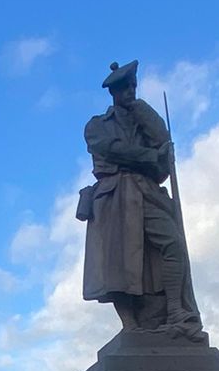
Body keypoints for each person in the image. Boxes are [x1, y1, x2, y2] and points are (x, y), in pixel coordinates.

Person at [78, 59, 206, 340]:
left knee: (173, 245)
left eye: (133, 87)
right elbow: (114, 151)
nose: (131, 92)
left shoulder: (142, 120)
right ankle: (130, 324)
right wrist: (151, 156)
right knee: (118, 267)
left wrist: (144, 112)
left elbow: (163, 150)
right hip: (116, 198)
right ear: (114, 92)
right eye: (125, 88)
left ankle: (175, 311)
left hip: (147, 193)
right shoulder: (97, 125)